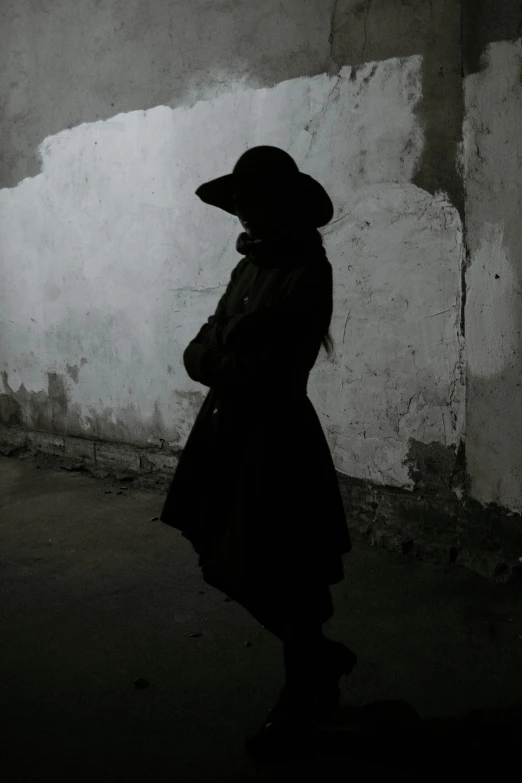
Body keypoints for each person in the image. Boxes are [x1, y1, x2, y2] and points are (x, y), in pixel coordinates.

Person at [160, 146, 356, 762]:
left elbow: (265, 368)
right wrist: (216, 357)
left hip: (275, 441)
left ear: (280, 205)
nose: (240, 214)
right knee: (217, 551)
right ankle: (320, 661)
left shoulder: (307, 270)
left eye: (250, 202)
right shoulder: (248, 268)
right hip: (224, 433)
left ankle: (304, 692)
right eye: (237, 204)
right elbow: (203, 343)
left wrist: (215, 358)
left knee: (277, 569)